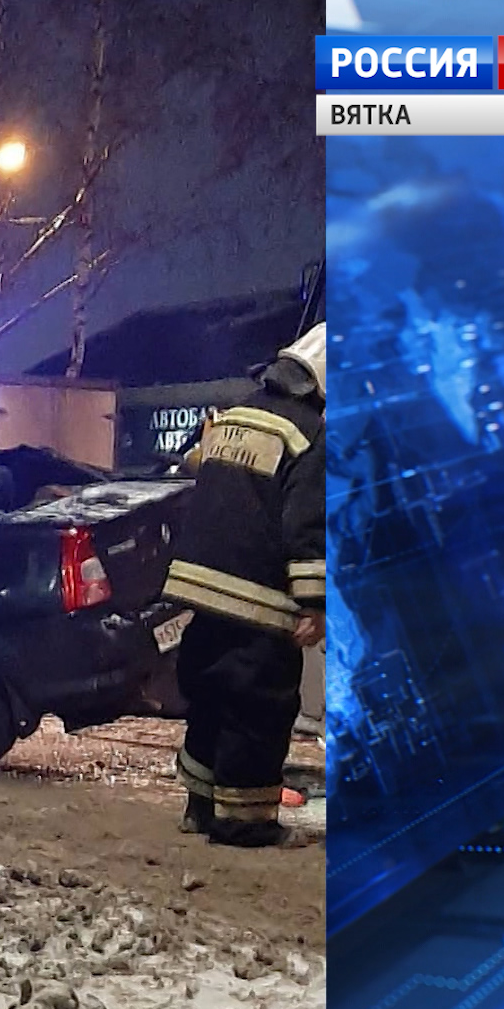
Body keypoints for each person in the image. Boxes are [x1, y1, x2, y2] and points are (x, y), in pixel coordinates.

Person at [162, 321, 327, 848]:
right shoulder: (310, 433)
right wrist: (314, 602)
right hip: (259, 598)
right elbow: (305, 523)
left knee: (211, 696)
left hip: (203, 589)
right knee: (260, 706)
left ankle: (199, 804)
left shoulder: (233, 417)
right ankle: (245, 821)